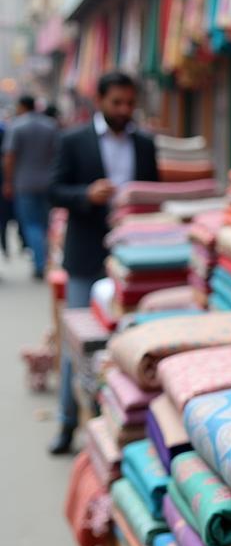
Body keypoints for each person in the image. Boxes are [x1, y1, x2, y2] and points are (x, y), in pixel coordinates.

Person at [48, 71, 158, 455]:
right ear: (101, 102)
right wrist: (86, 195)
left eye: (130, 103)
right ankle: (66, 422)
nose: (125, 110)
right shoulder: (73, 141)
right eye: (118, 103)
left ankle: (112, 423)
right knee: (77, 342)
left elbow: (153, 194)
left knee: (127, 341)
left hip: (133, 258)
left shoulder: (144, 145)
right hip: (87, 254)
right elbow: (54, 190)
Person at [3, 93, 59, 278]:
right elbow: (57, 154)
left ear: (21, 106)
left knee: (31, 224)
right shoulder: (49, 125)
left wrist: (8, 182)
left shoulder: (17, 126)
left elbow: (10, 157)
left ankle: (40, 263)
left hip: (24, 183)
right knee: (43, 224)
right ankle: (44, 259)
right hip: (47, 182)